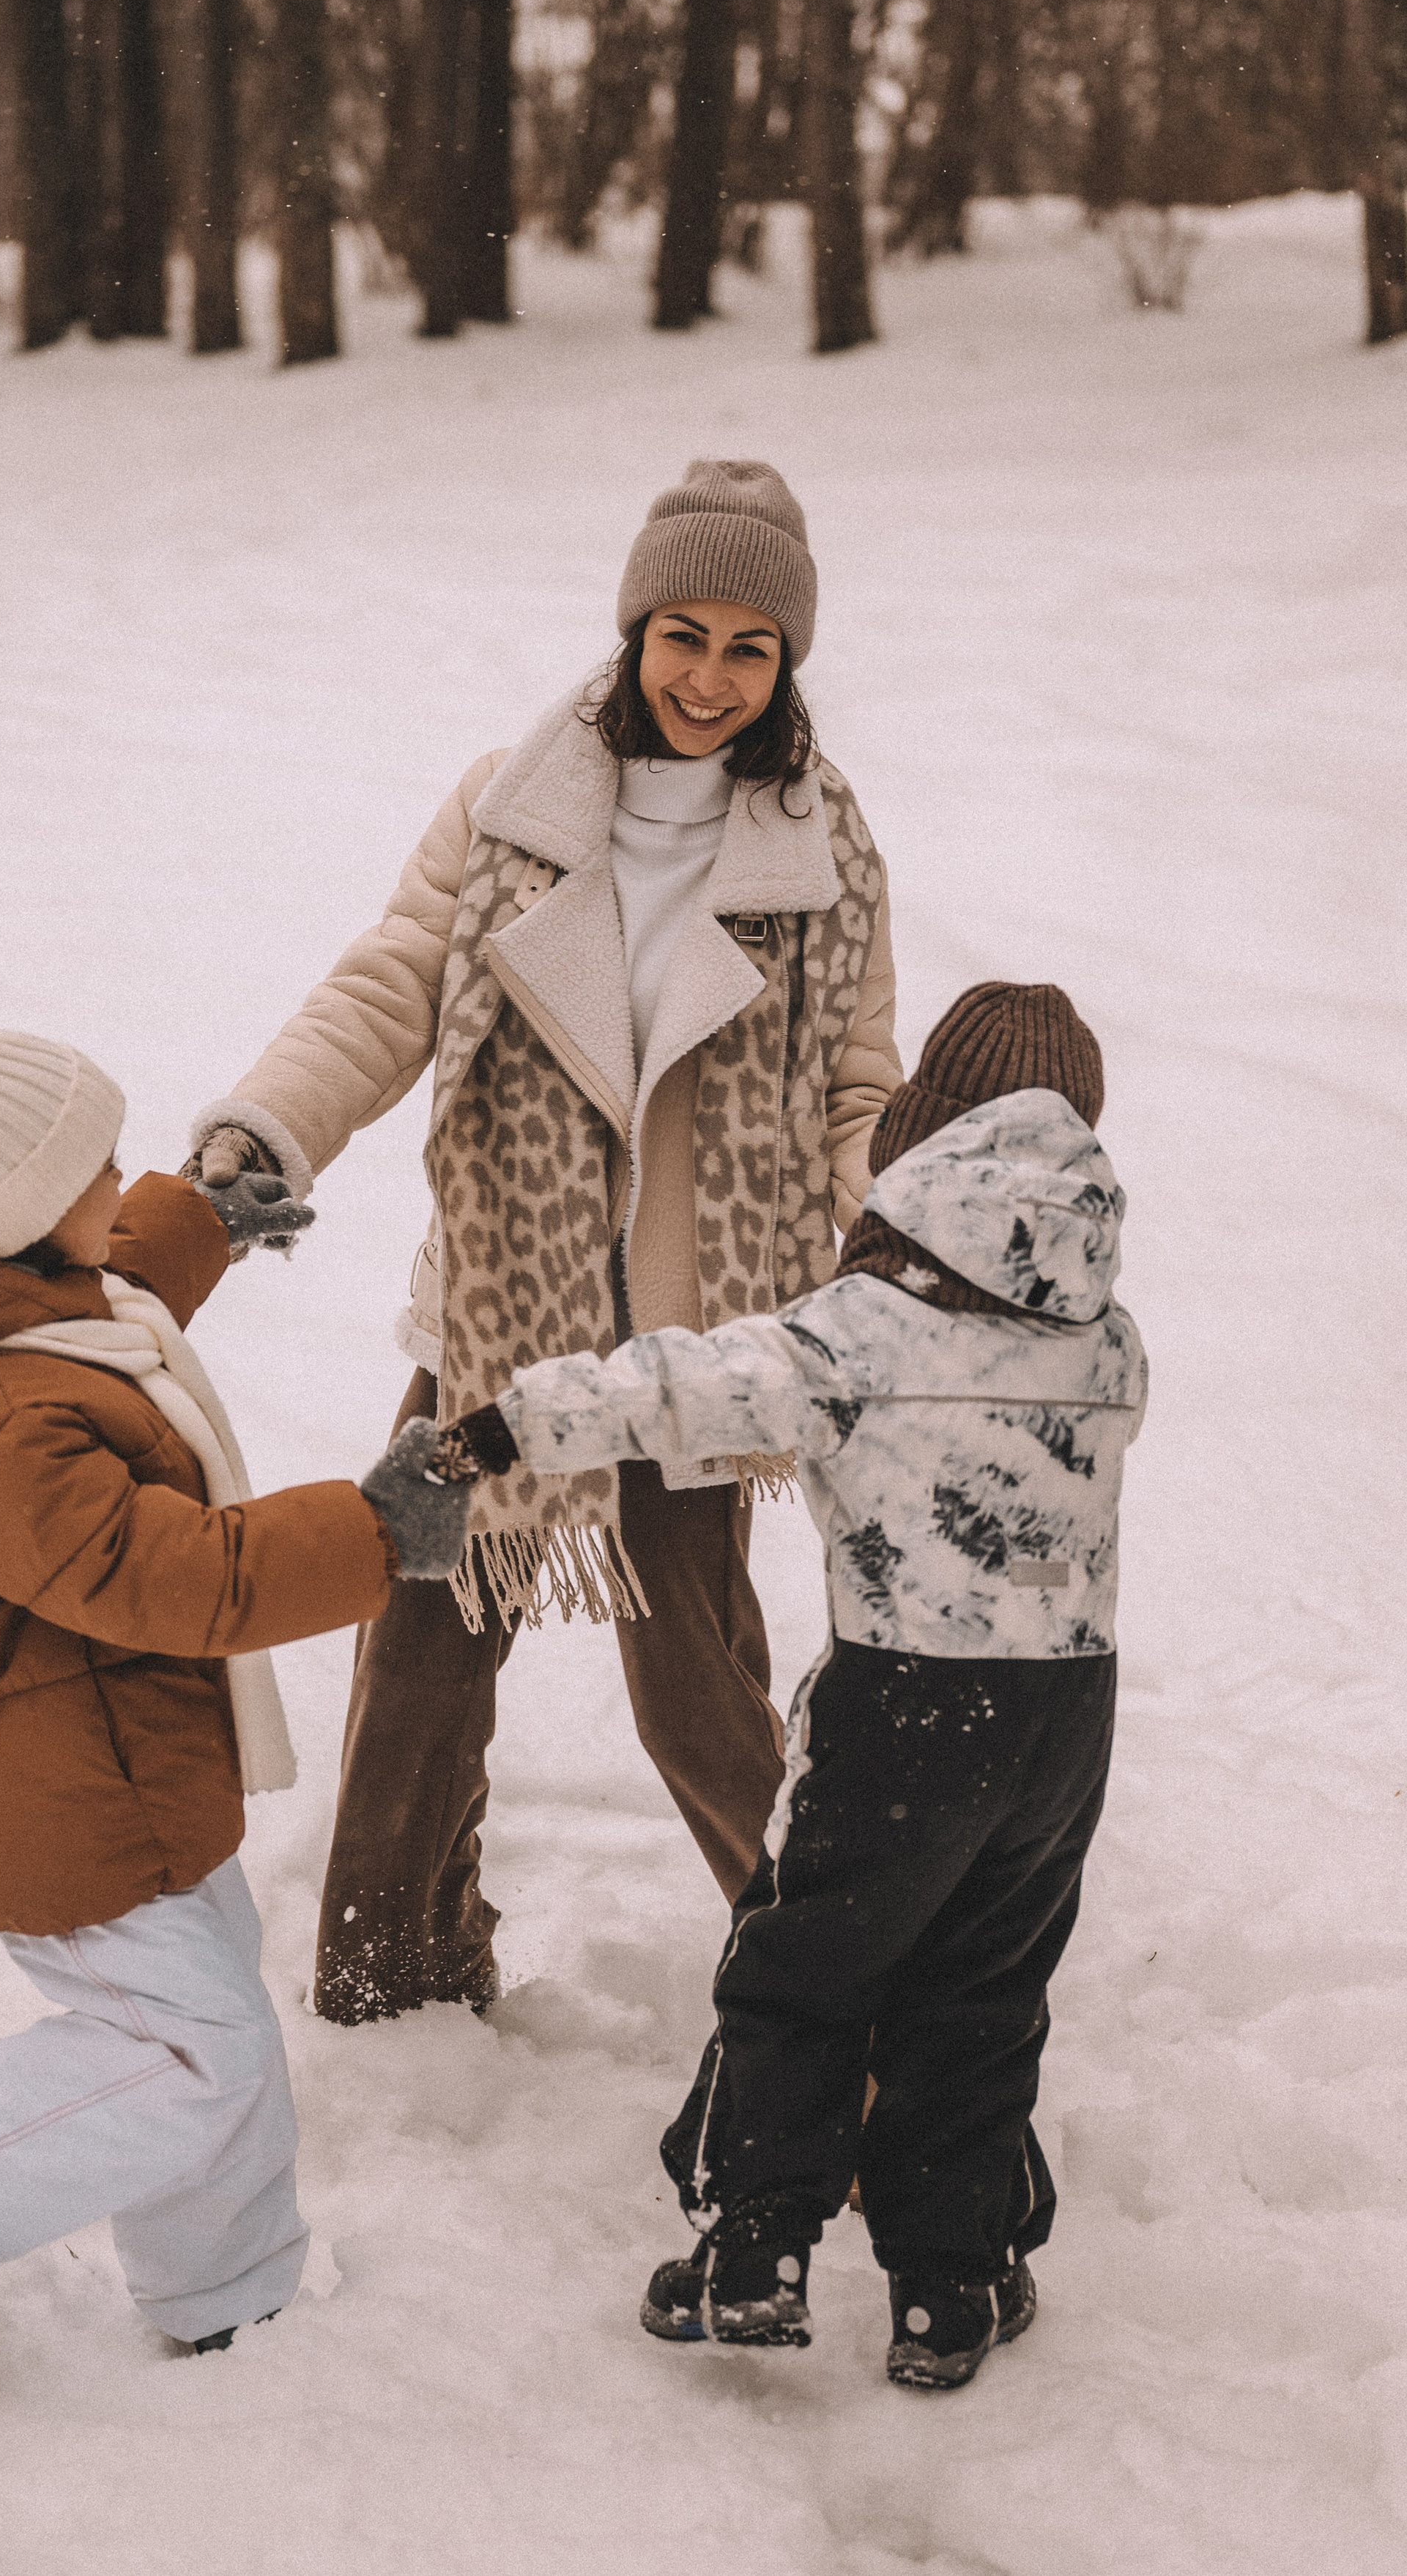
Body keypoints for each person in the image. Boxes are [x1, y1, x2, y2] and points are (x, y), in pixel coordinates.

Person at [188, 459, 903, 2024]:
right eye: (682, 635)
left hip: (697, 1336)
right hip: (501, 1314)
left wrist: (913, 1226)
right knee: (419, 1658)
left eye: (750, 649)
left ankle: (831, 1992)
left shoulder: (822, 849)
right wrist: (266, 1129)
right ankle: (396, 1983)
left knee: (695, 1691)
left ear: (786, 663)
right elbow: (388, 987)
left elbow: (857, 1083)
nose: (708, 678)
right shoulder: (512, 803)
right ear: (635, 629)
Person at [439, 983, 1146, 2390]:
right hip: (1067, 1719)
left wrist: (507, 1422)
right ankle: (953, 2287)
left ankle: (751, 2254)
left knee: (806, 1974)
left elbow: (682, 1384)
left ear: (925, 1141)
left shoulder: (859, 1332)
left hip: (904, 1704)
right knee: (984, 1992)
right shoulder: (1112, 1341)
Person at [0, 1018, 471, 2361]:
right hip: (58, 1810)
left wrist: (199, 1218)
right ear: (10, 1215)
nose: (115, 1182)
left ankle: (227, 2292)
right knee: (195, 2051)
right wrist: (373, 1532)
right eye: (93, 1170)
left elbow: (107, 1279)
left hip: (123, 1773)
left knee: (218, 2022)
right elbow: (177, 1577)